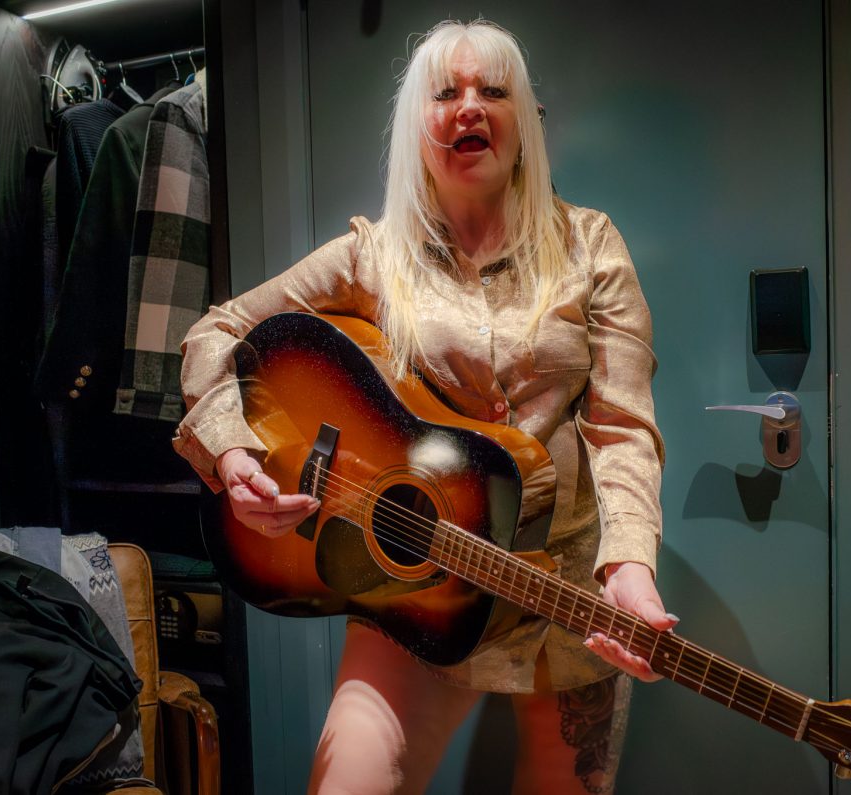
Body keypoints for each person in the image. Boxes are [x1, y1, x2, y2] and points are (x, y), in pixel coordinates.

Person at [174, 19, 677, 794]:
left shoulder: (590, 246)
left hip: (564, 594)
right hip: (416, 588)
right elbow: (220, 329)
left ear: (524, 123)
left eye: (492, 90)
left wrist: (631, 566)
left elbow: (623, 426)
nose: (469, 107)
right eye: (446, 93)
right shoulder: (372, 256)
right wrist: (234, 453)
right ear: (419, 126)